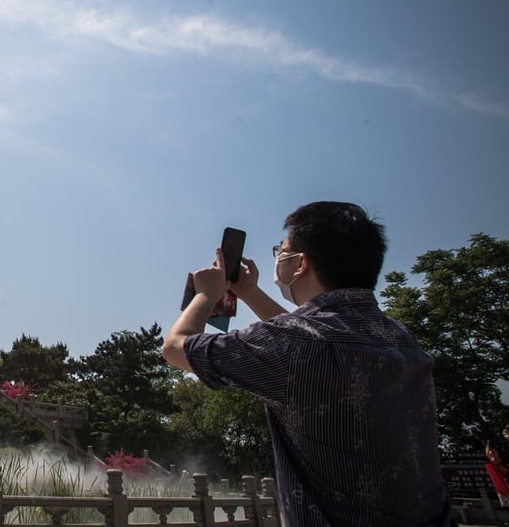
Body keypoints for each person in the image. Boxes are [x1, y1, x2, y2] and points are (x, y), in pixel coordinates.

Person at [163, 201, 452, 526]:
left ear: (300, 264)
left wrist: (206, 294)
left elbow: (176, 347)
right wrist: (249, 293)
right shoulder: (400, 338)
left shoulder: (296, 344)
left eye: (281, 251)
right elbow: (310, 339)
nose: (277, 259)